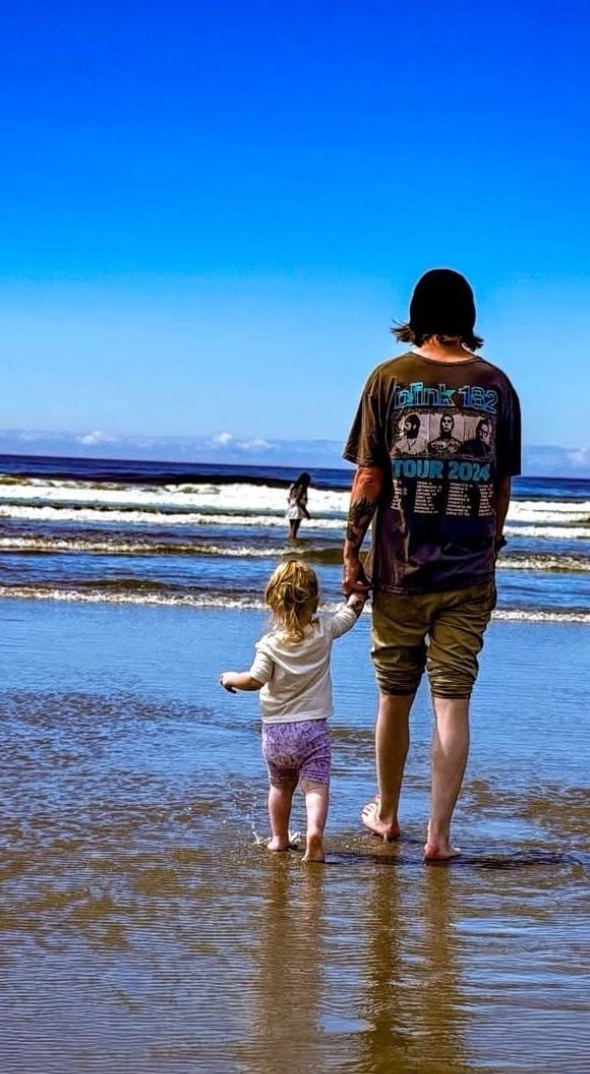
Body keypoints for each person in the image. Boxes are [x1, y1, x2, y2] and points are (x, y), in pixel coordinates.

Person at [341, 268, 521, 862]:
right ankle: (439, 836)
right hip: (469, 572)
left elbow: (369, 478)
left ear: (415, 315)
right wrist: (488, 546)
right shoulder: (497, 386)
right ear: (468, 318)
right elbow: (500, 485)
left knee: (394, 693)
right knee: (453, 700)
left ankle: (388, 815)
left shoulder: (387, 379)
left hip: (400, 565)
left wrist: (350, 555)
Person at [220, 559, 365, 863]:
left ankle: (278, 839)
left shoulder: (269, 644)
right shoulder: (324, 629)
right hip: (313, 730)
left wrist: (230, 678)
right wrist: (357, 595)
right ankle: (314, 834)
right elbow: (348, 616)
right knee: (315, 787)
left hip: (276, 734)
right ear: (315, 600)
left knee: (280, 786)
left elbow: (255, 679)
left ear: (273, 602)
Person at [286, 471, 312, 541]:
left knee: (291, 529)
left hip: (290, 509)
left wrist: (292, 504)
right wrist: (306, 513)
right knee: (294, 530)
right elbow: (298, 501)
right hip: (298, 510)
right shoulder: (303, 488)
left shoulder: (292, 486)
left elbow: (288, 499)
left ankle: (289, 542)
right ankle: (292, 543)